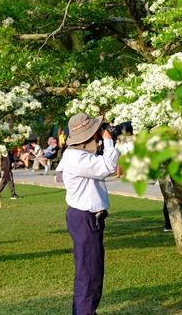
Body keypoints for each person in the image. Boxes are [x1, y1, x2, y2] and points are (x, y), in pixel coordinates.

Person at [56, 112, 119, 315]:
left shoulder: (74, 155)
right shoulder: (78, 158)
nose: (98, 135)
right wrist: (109, 143)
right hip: (86, 217)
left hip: (83, 217)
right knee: (90, 273)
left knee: (88, 270)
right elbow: (108, 167)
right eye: (95, 133)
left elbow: (59, 176)